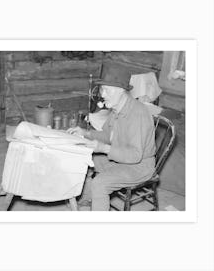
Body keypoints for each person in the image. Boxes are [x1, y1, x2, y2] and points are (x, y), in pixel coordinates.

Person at [67, 80, 156, 211]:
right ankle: (86, 199)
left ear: (121, 91)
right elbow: (107, 136)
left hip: (139, 166)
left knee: (100, 183)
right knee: (85, 159)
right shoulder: (116, 109)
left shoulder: (138, 113)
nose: (102, 94)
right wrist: (85, 133)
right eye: (102, 89)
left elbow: (135, 155)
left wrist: (103, 148)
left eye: (107, 90)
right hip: (121, 157)